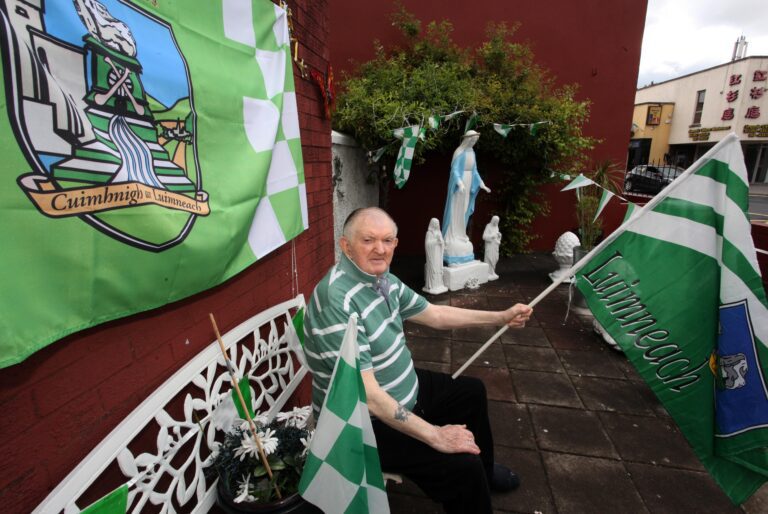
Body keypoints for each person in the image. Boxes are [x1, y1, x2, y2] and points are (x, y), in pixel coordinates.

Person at [304, 207, 533, 513]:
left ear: (396, 244)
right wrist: (435, 434)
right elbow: (369, 397)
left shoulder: (383, 280)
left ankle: (486, 472)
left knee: (471, 391)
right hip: (363, 423)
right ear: (345, 246)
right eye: (368, 240)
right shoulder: (338, 301)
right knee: (462, 468)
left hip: (405, 390)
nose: (380, 249)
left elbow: (436, 314)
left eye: (388, 240)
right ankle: (474, 480)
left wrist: (501, 317)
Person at [442, 130, 491, 265]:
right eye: (473, 140)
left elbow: (474, 171)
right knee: (456, 209)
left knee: (464, 210)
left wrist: (481, 184)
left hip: (469, 183)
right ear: (467, 140)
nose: (474, 143)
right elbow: (455, 170)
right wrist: (459, 182)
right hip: (460, 185)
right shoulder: (459, 152)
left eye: (475, 141)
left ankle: (460, 234)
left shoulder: (472, 153)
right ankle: (453, 236)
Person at [424, 218, 447, 294]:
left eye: (438, 223)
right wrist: (436, 241)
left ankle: (439, 284)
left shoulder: (439, 232)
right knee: (433, 268)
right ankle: (432, 285)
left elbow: (442, 242)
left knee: (438, 268)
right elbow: (427, 244)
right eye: (435, 223)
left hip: (438, 254)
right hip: (432, 255)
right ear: (432, 224)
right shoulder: (429, 233)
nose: (437, 225)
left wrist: (441, 242)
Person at [483, 215, 502, 280]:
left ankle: (492, 272)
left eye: (497, 222)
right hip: (490, 246)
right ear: (493, 220)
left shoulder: (496, 227)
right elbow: (484, 236)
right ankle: (488, 272)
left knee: (495, 258)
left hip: (495, 246)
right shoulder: (488, 226)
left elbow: (497, 237)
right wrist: (491, 236)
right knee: (489, 258)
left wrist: (499, 236)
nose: (496, 223)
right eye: (495, 221)